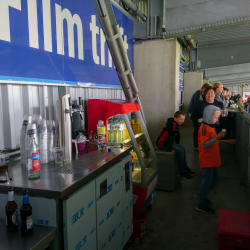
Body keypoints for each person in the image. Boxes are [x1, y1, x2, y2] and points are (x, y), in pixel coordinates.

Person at [196, 105, 236, 214]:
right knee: (207, 181)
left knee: (216, 178)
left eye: (218, 117)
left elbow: (213, 142)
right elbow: (204, 145)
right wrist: (217, 138)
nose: (217, 119)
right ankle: (201, 204)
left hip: (213, 158)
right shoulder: (204, 128)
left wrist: (225, 141)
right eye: (215, 117)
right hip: (207, 159)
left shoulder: (210, 126)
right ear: (208, 116)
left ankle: (202, 195)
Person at [156, 111, 196, 179]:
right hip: (162, 144)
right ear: (175, 119)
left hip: (167, 142)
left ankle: (185, 167)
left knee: (182, 148)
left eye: (183, 119)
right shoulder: (172, 125)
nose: (182, 121)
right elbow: (171, 138)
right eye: (181, 119)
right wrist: (171, 149)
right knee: (180, 151)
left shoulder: (175, 124)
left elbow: (177, 136)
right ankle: (182, 171)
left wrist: (176, 145)